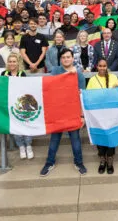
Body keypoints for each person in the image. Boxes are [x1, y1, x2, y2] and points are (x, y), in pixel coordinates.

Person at [41, 48, 87, 176]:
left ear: (73, 58)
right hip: (58, 112)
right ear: (60, 59)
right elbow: (49, 89)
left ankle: (79, 162)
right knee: (54, 139)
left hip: (73, 112)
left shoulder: (78, 74)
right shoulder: (55, 71)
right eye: (63, 57)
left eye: (68, 57)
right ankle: (49, 163)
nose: (66, 59)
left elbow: (82, 95)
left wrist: (82, 115)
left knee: (75, 139)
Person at [86, 58, 118, 174]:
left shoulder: (114, 77)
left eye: (104, 66)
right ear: (97, 67)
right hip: (97, 114)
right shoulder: (92, 80)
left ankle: (110, 160)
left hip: (111, 114)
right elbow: (88, 97)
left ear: (107, 66)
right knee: (100, 136)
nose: (102, 68)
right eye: (100, 66)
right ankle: (102, 159)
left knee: (111, 137)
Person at [1, 53, 33, 159]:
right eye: (10, 61)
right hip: (10, 104)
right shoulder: (3, 73)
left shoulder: (21, 73)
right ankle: (21, 147)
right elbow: (1, 88)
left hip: (22, 104)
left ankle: (28, 145)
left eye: (14, 61)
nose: (12, 63)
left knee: (26, 125)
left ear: (18, 63)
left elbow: (24, 88)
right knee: (16, 127)